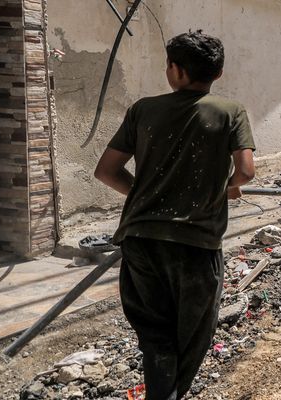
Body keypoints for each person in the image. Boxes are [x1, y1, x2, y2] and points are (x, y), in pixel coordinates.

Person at [94, 30, 255, 400]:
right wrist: (226, 187)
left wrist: (145, 194)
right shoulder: (230, 111)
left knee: (156, 337)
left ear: (177, 71)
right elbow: (245, 172)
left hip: (141, 239)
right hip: (196, 245)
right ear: (218, 73)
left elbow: (106, 171)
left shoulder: (143, 109)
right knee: (193, 336)